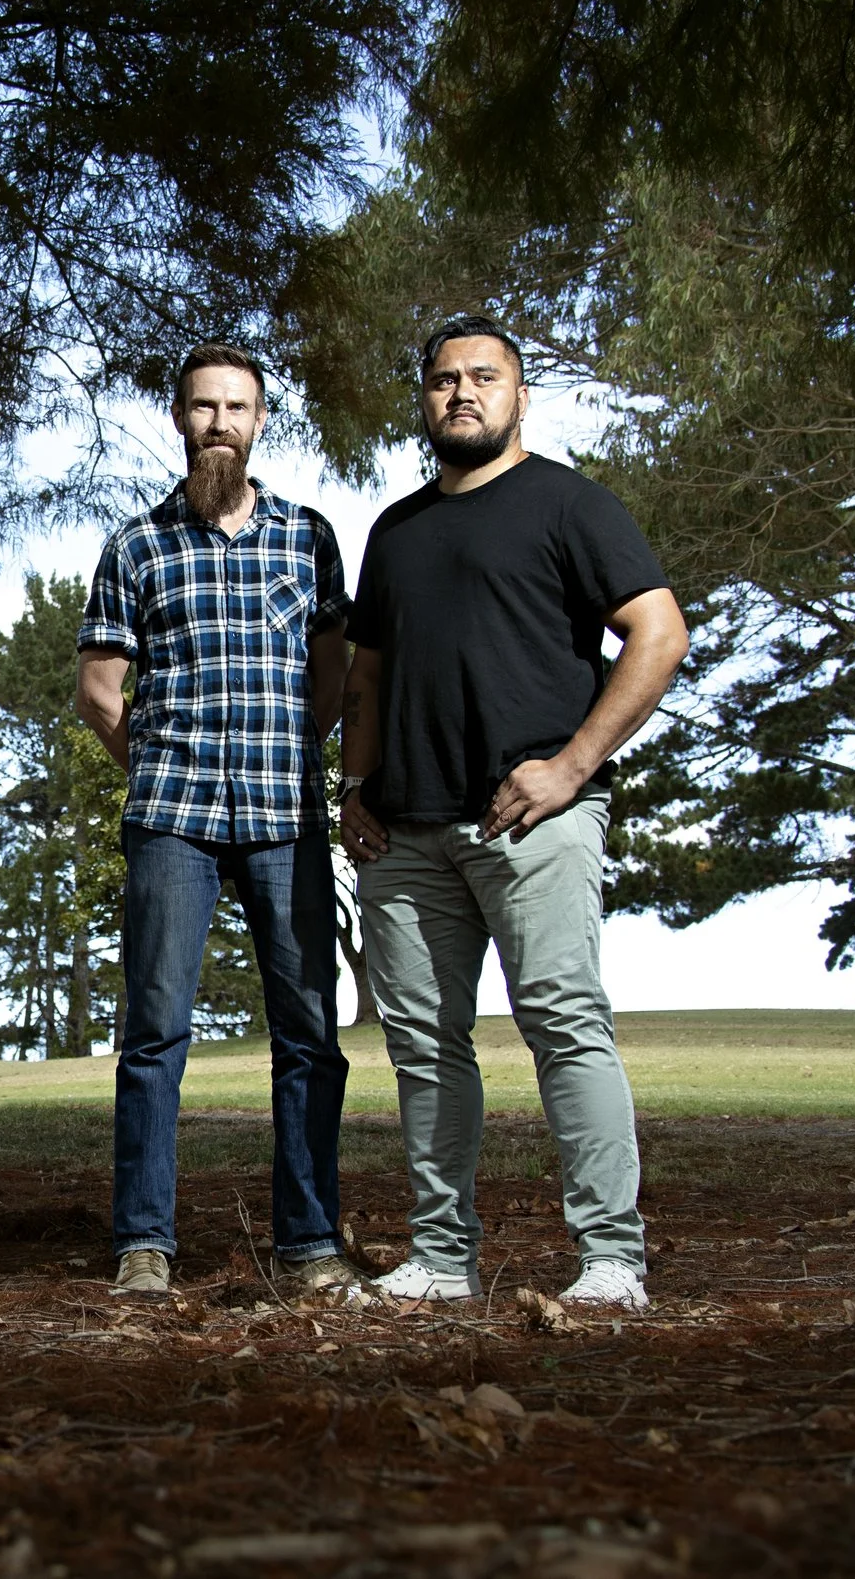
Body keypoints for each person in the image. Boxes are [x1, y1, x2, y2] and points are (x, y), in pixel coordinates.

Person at [341, 315, 689, 1312]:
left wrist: (572, 765)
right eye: (444, 379)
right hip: (405, 833)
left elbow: (657, 632)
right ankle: (442, 1261)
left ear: (519, 393)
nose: (461, 393)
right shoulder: (395, 529)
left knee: (564, 1026)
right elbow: (368, 669)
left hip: (530, 821)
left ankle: (612, 1260)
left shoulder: (567, 505)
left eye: (482, 377)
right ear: (425, 398)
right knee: (423, 1048)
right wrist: (352, 788)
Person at [76, 344, 358, 1297]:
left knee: (310, 1033)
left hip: (287, 812)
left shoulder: (309, 537)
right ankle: (143, 1241)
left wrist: (296, 742)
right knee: (155, 1033)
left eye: (238, 407)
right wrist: (158, 764)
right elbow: (100, 690)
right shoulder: (136, 545)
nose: (220, 423)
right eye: (204, 406)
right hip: (173, 820)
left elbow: (334, 673)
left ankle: (310, 1242)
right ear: (179, 416)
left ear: (263, 420)